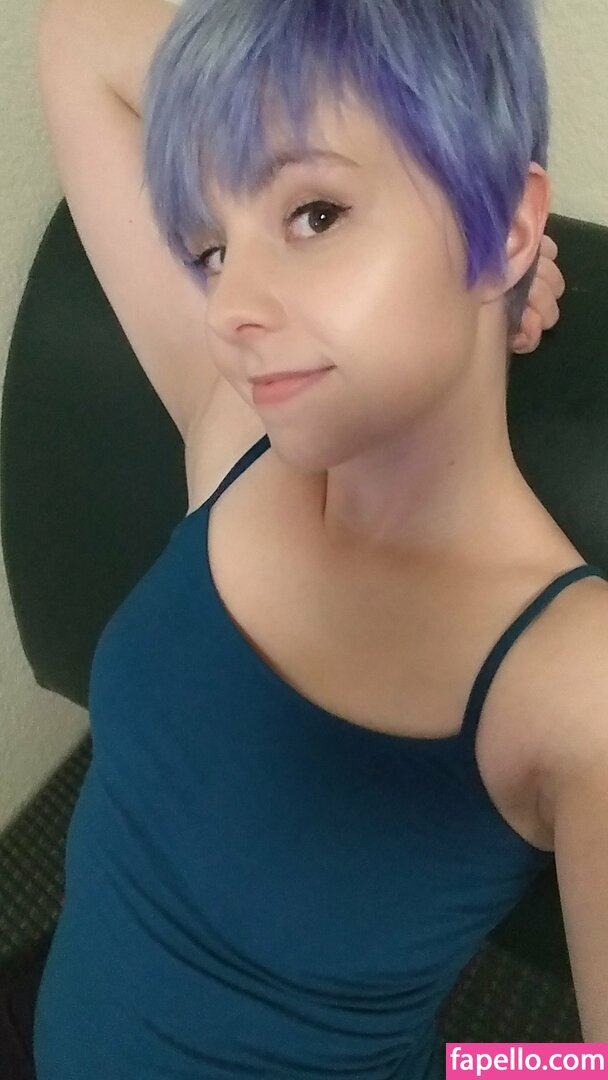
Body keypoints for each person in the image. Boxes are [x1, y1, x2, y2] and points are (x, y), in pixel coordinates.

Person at [31, 0, 600, 1078]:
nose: (229, 307)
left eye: (314, 214)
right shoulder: (237, 441)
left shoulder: (573, 680)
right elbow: (77, 31)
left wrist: (482, 1071)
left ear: (507, 224)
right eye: (211, 248)